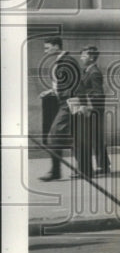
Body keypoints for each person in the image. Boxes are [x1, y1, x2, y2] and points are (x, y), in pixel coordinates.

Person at [38, 36, 82, 182]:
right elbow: (63, 84)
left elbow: (75, 84)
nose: (45, 51)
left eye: (47, 47)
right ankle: (81, 168)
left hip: (67, 104)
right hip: (64, 102)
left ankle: (56, 172)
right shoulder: (63, 61)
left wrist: (64, 96)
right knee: (72, 136)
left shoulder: (67, 61)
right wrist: (52, 91)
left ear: (56, 46)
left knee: (54, 136)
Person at [76, 45, 108, 176]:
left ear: (91, 57)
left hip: (94, 110)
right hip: (90, 109)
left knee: (96, 138)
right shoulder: (87, 70)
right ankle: (104, 165)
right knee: (96, 137)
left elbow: (99, 94)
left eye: (83, 55)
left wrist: (88, 104)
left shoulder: (94, 72)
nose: (81, 58)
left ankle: (102, 165)